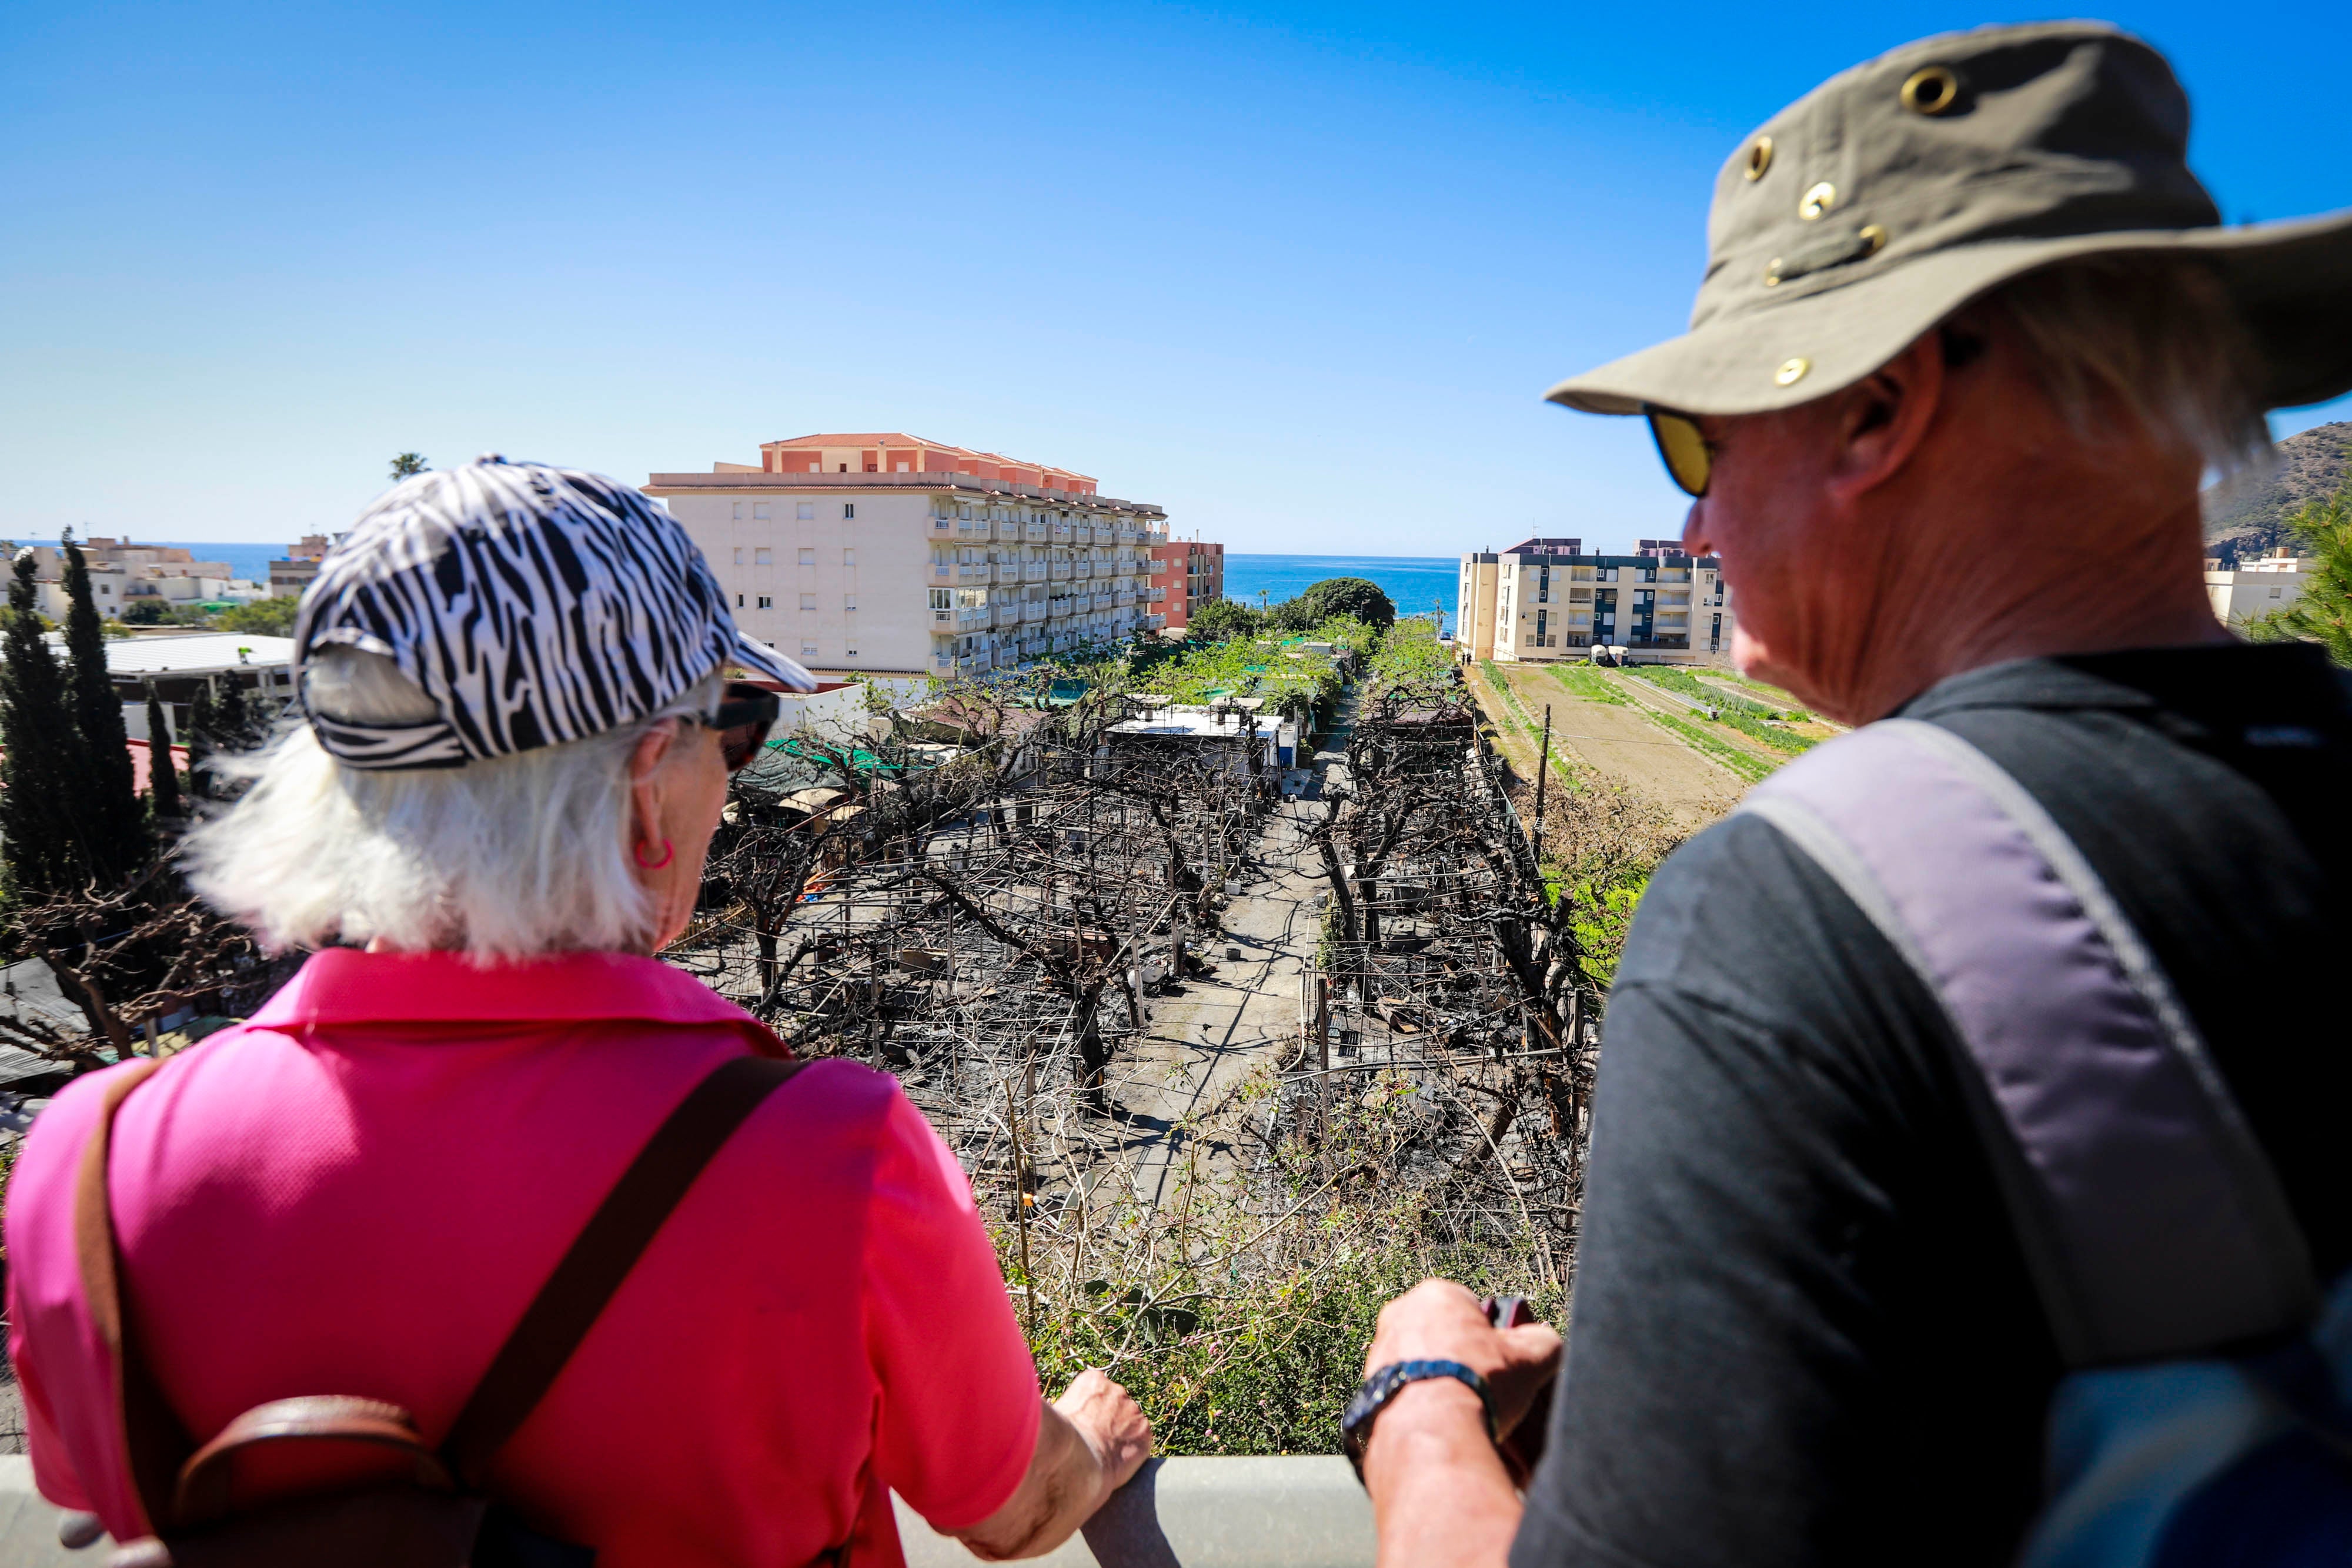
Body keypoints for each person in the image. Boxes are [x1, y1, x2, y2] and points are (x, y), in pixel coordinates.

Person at [1351, 23, 2352, 1568]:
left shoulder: (1821, 909)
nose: (1689, 525)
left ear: (1875, 407)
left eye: (1698, 432)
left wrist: (1420, 1406)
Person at [4, 457, 1150, 1566]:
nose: (731, 780)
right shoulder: (825, 1152)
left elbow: (85, 1484)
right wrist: (1090, 1449)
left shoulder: (90, 1160)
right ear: (650, 779)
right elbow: (1005, 1510)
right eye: (733, 736)